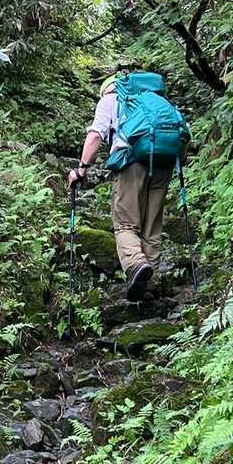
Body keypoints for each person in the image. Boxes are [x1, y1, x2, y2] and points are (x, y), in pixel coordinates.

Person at [68, 67, 188, 301]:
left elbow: (96, 135)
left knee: (125, 224)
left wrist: (81, 168)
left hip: (131, 162)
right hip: (163, 163)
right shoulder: (157, 100)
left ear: (107, 89)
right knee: (151, 227)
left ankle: (136, 264)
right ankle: (149, 285)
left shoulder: (111, 99)